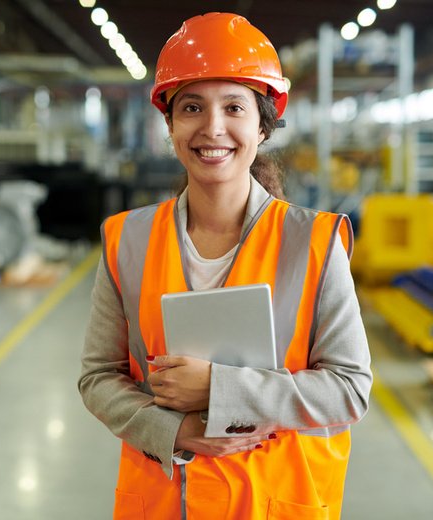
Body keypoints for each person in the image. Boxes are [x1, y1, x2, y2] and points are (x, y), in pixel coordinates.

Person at [79, 12, 372, 520]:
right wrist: (173, 430)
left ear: (262, 126)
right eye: (191, 107)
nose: (213, 127)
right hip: (163, 504)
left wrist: (220, 389)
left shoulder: (315, 243)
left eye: (234, 106)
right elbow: (99, 377)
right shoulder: (126, 240)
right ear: (169, 125)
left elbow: (349, 389)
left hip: (274, 505)